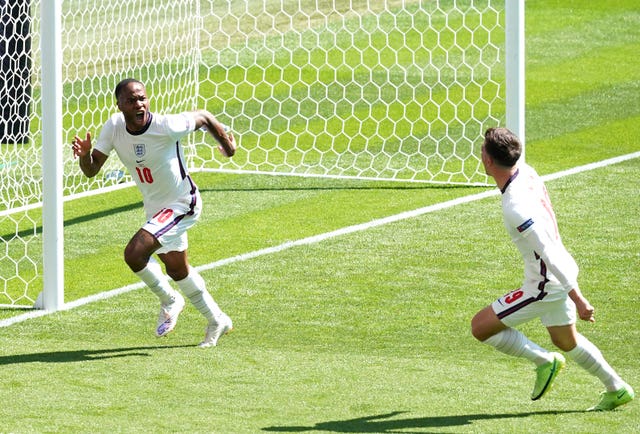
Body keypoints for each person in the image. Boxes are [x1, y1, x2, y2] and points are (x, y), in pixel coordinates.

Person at [471, 127, 634, 411]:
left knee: (480, 327)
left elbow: (545, 250)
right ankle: (617, 388)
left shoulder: (515, 206)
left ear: (488, 161)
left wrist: (579, 299)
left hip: (546, 284)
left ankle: (544, 360)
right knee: (565, 340)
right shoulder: (527, 171)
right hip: (561, 269)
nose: (480, 153)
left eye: (483, 150)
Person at [71, 78, 236, 348]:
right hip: (156, 209)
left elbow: (204, 117)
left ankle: (170, 300)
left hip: (183, 203)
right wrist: (84, 155)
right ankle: (217, 319)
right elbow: (91, 171)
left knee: (134, 253)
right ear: (120, 105)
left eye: (142, 98)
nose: (139, 104)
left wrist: (228, 148)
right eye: (131, 100)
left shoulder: (166, 126)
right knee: (176, 268)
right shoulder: (114, 127)